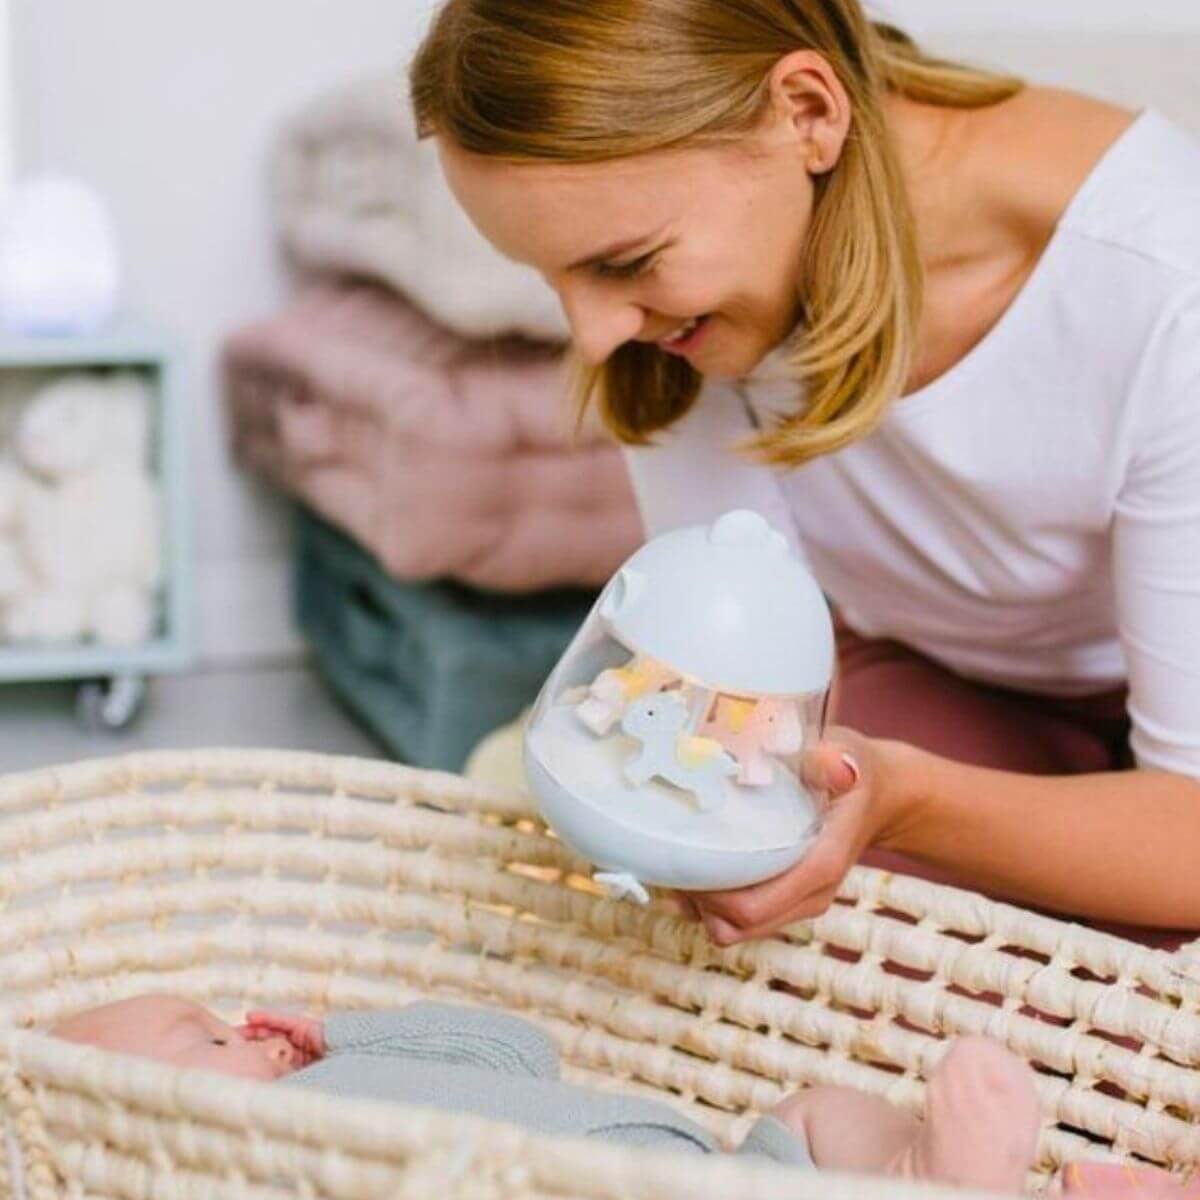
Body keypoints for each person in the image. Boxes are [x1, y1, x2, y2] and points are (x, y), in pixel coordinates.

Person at [407, 1, 1200, 946]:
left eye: (626, 263)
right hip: (919, 678)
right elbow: (743, 682)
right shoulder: (677, 321)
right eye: (555, 278)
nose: (593, 333)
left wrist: (902, 802)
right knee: (743, 919)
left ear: (808, 115)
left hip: (1162, 772)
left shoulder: (1159, 283)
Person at [52, 994, 1042, 1193]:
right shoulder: (309, 1157)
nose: (250, 1037)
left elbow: (519, 1053)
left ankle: (922, 1172)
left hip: (726, 1169)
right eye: (211, 1041)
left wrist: (343, 1032)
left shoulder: (347, 1070)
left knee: (813, 1111)